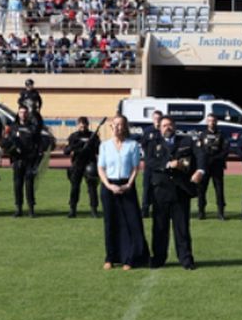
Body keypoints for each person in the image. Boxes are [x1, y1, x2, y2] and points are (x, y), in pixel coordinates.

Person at [145, 113, 204, 269]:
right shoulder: (153, 143)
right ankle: (158, 258)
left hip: (180, 190)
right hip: (161, 191)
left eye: (170, 125)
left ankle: (186, 259)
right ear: (159, 128)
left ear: (175, 126)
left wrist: (200, 171)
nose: (167, 128)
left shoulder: (186, 141)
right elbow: (150, 161)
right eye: (164, 125)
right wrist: (168, 164)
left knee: (182, 228)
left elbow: (200, 155)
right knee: (160, 227)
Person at [98, 114, 150, 271]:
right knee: (110, 222)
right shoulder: (105, 146)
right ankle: (110, 257)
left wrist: (128, 184)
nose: (117, 127)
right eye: (115, 124)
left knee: (132, 222)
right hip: (109, 186)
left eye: (120, 124)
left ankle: (131, 258)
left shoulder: (132, 145)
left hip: (127, 186)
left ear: (125, 127)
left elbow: (135, 167)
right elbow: (101, 168)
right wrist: (109, 185)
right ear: (111, 127)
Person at [2, 107, 44, 217]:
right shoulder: (13, 127)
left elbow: (39, 144)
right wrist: (9, 146)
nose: (23, 114)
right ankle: (18, 209)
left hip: (29, 160)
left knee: (29, 186)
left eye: (25, 112)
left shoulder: (32, 128)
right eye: (21, 112)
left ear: (28, 114)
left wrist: (37, 161)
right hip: (17, 160)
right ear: (18, 113)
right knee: (17, 185)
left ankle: (31, 209)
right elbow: (6, 144)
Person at [64, 116, 102, 219]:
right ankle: (72, 209)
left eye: (84, 125)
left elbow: (99, 150)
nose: (83, 127)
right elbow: (66, 151)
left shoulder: (93, 136)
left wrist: (93, 144)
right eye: (81, 126)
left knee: (92, 188)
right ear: (77, 125)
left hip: (90, 163)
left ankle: (94, 209)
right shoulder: (73, 136)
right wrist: (77, 146)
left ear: (87, 125)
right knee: (75, 187)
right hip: (77, 164)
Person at [194, 114, 229, 221]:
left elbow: (225, 150)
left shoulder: (221, 134)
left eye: (213, 121)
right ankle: (201, 212)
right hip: (204, 167)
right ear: (206, 122)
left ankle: (221, 213)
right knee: (201, 190)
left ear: (216, 122)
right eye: (209, 121)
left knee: (219, 190)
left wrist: (215, 158)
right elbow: (199, 150)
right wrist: (204, 161)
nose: (211, 123)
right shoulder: (202, 135)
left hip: (217, 166)